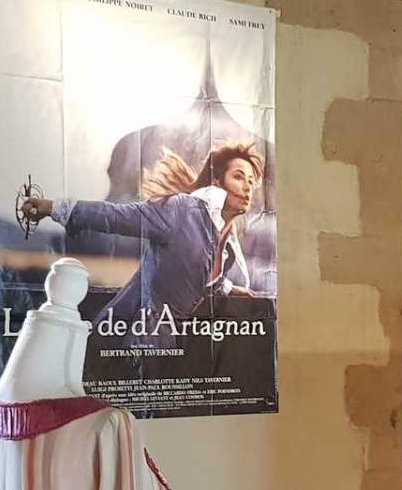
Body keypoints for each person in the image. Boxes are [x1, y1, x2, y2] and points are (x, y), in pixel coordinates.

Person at [20, 142, 265, 352]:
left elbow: (197, 276)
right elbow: (114, 216)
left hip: (170, 344)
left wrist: (230, 289)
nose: (247, 187)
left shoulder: (228, 246)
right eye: (238, 177)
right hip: (134, 338)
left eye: (251, 182)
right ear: (216, 182)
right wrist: (54, 208)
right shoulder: (182, 211)